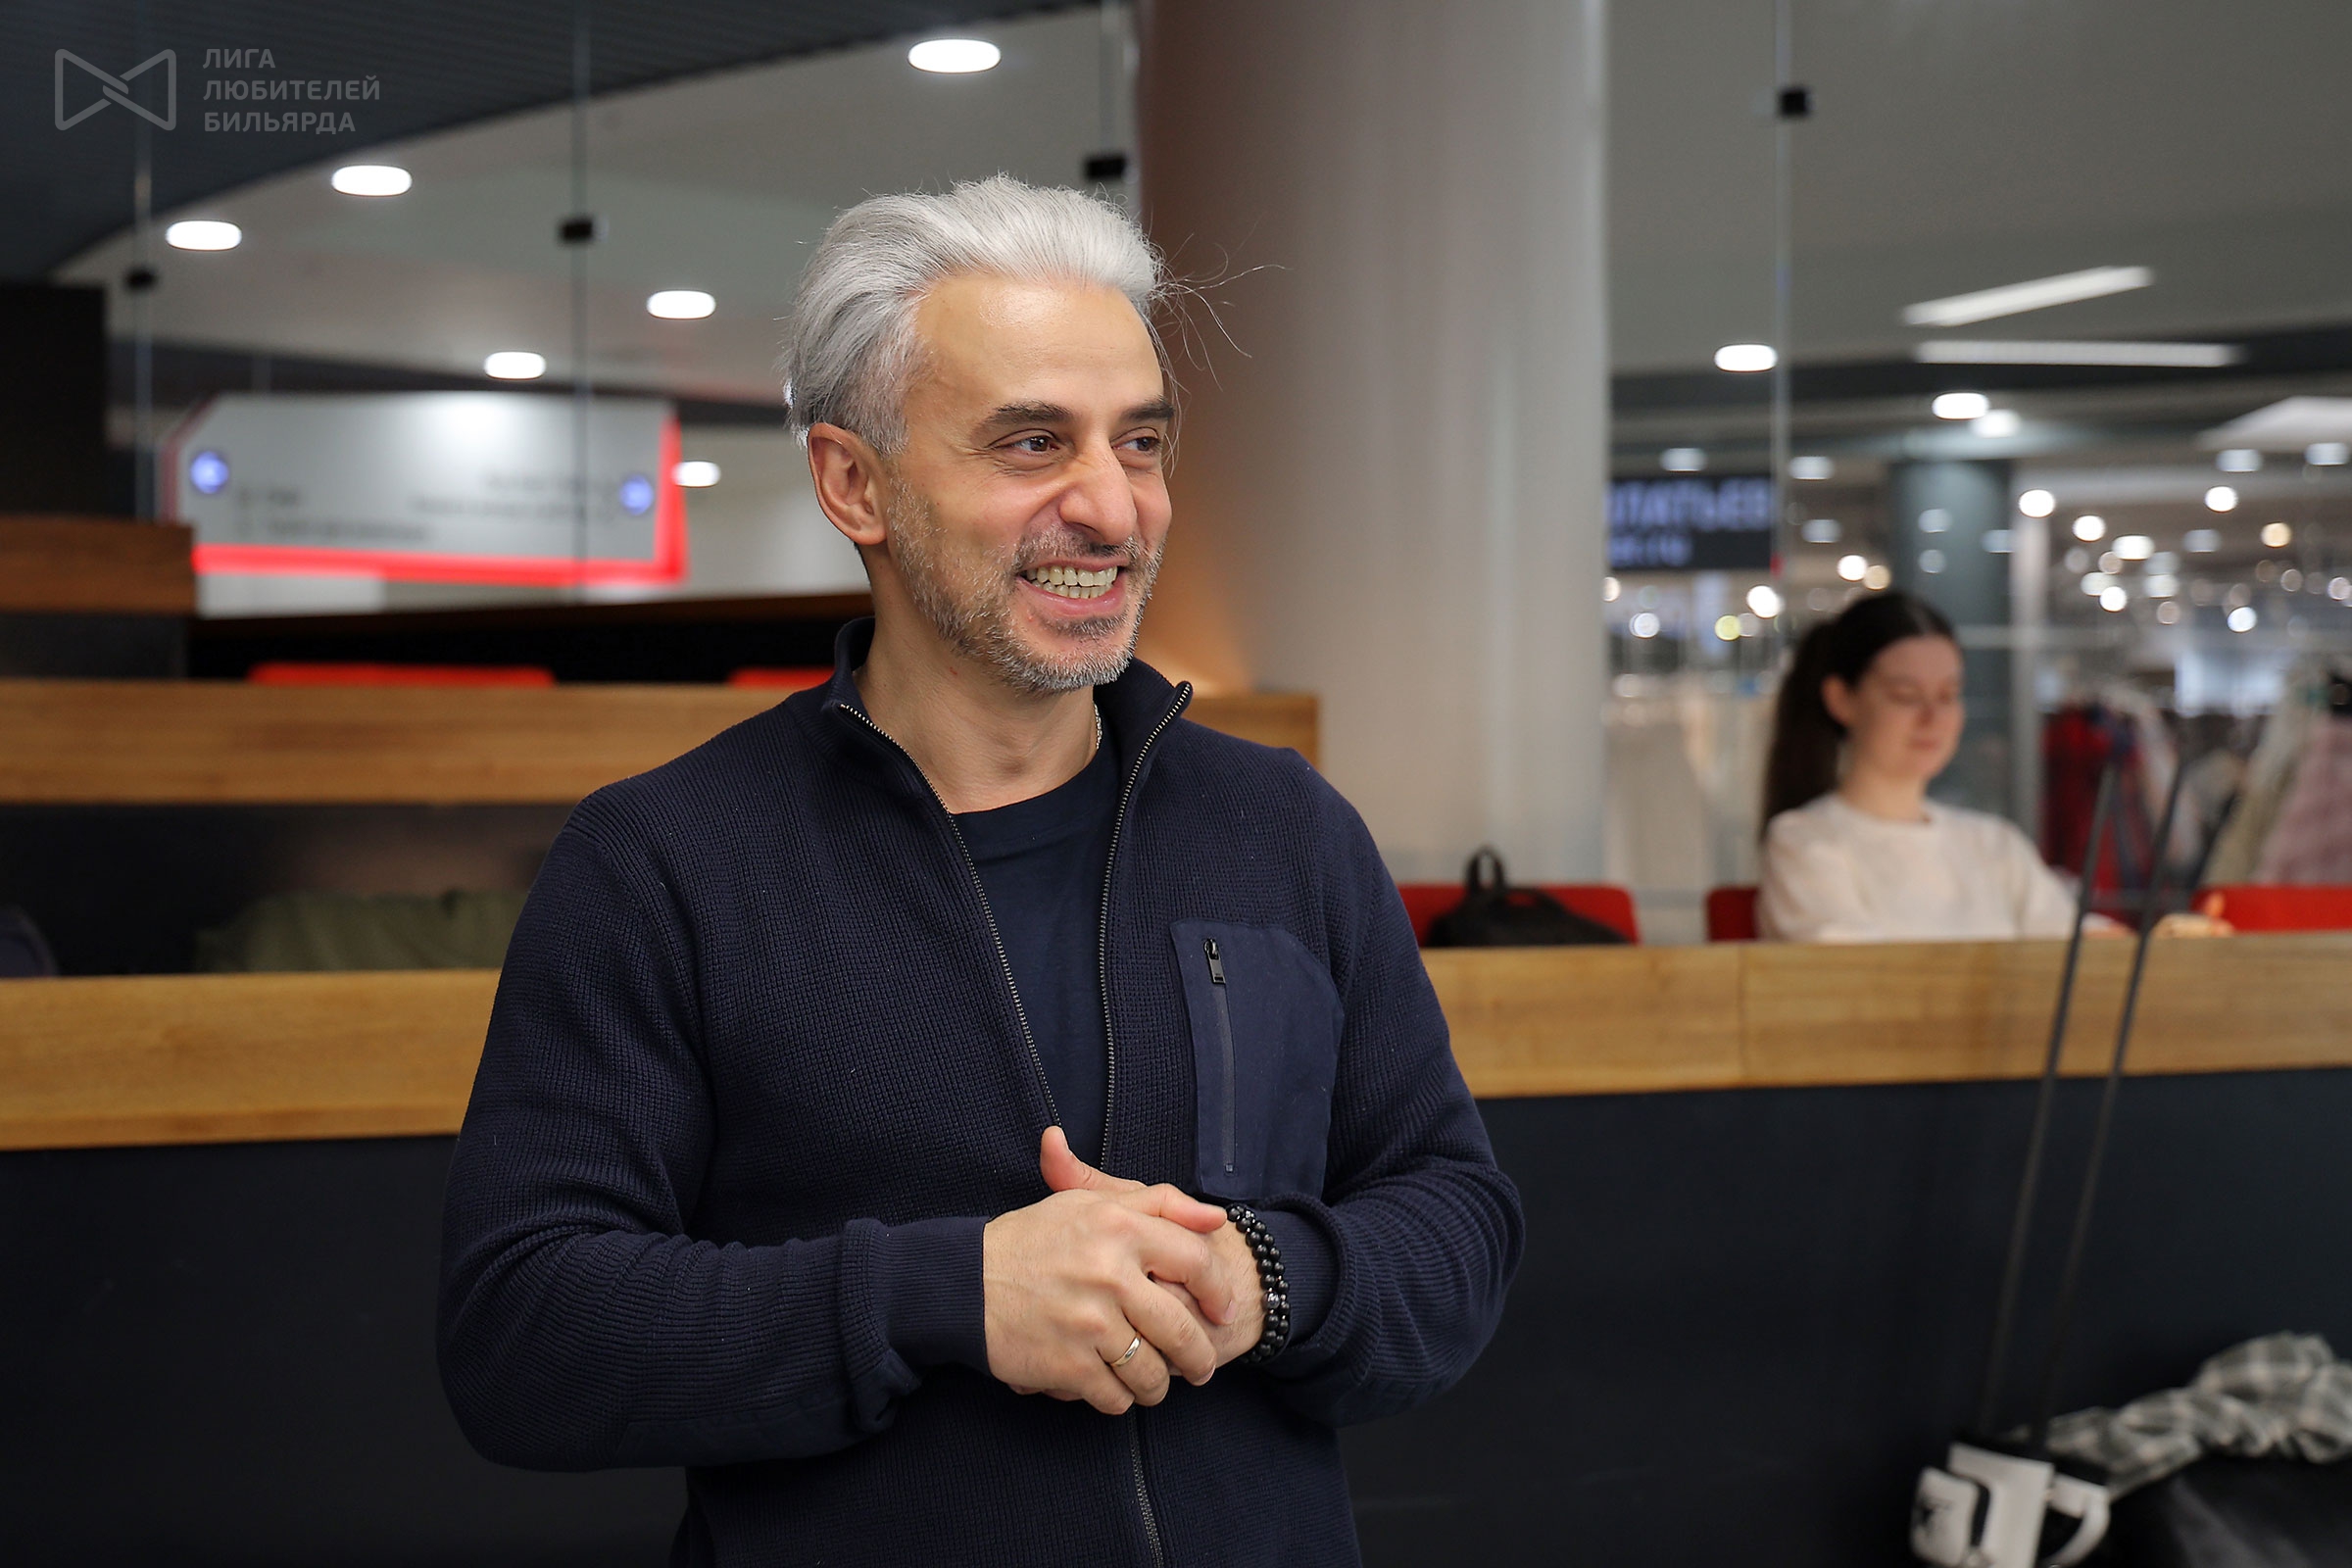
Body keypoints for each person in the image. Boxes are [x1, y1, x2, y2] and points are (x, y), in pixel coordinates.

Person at [436, 176, 1522, 1566]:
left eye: (1140, 442)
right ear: (855, 483)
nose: (1112, 506)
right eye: (1031, 443)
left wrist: (1259, 1274)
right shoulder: (667, 863)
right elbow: (525, 1332)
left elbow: (1455, 1225)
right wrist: (951, 1294)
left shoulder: (1284, 829)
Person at [1756, 591, 2099, 943]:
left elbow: (2083, 944)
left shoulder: (1995, 844)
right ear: (1842, 699)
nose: (1932, 718)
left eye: (1948, 695)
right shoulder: (1806, 842)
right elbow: (1852, 967)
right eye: (1906, 695)